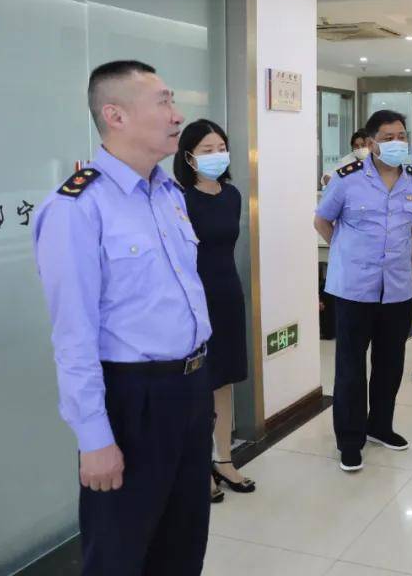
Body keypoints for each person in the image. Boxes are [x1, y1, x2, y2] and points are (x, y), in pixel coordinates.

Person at [32, 61, 213, 575]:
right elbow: (73, 335)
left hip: (190, 392)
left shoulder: (168, 194)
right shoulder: (77, 207)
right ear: (115, 114)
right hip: (133, 401)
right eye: (163, 102)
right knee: (119, 552)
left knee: (183, 543)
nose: (178, 115)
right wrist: (94, 437)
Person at [314, 110, 412, 472]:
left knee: (390, 363)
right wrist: (346, 253)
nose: (397, 143)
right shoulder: (347, 180)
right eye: (389, 137)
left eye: (401, 136)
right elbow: (321, 219)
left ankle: (380, 425)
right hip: (353, 289)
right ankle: (350, 439)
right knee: (349, 367)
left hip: (396, 288)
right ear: (372, 142)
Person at [173, 119, 256, 504]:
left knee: (224, 381)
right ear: (189, 156)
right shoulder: (178, 198)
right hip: (192, 299)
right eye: (207, 149)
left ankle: (223, 458)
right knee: (196, 385)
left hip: (227, 293)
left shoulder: (233, 194)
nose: (216, 155)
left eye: (220, 146)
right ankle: (195, 467)